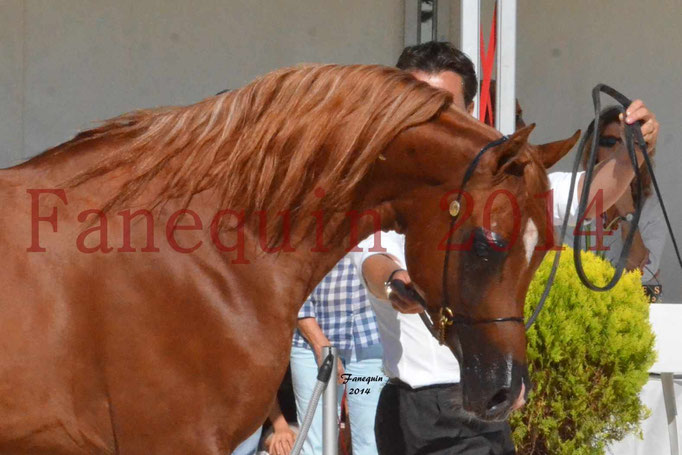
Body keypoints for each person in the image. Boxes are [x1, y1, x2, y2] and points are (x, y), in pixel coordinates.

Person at [352, 41, 660, 455]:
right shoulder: (383, 184)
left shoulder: (501, 187)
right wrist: (395, 284)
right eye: (413, 103)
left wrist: (628, 154)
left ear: (468, 114)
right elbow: (373, 259)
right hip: (410, 409)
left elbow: (588, 196)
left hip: (480, 400)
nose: (425, 120)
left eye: (441, 107)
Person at [290, 256, 386, 455]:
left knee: (371, 443)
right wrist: (318, 343)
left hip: (368, 335)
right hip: (309, 339)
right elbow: (291, 277)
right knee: (315, 445)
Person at [565, 105, 666, 296]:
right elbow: (568, 268)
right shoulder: (574, 198)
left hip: (633, 308)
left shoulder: (651, 206)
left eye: (627, 143)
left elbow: (642, 274)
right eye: (609, 141)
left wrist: (627, 211)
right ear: (594, 149)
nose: (619, 150)